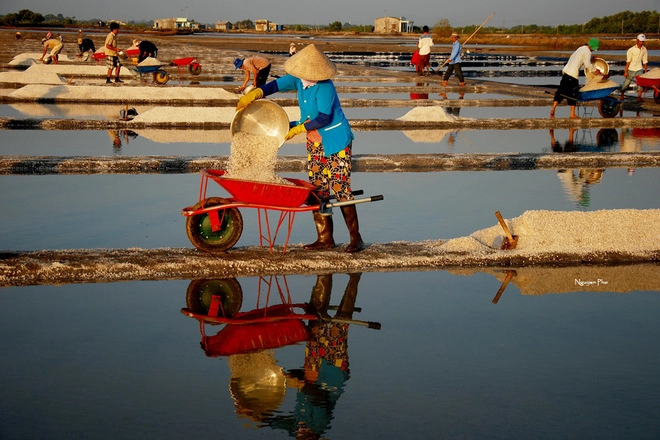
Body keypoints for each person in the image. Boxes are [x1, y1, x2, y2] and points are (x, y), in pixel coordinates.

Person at [237, 44, 365, 253]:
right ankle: (325, 238)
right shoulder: (298, 79)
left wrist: (297, 128)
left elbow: (323, 117)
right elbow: (276, 85)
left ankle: (355, 238)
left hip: (335, 141)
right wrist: (256, 93)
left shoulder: (325, 87)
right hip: (314, 140)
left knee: (340, 189)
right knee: (318, 188)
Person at [550, 38, 599, 119]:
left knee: (561, 91)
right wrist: (595, 70)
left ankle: (553, 109)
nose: (593, 50)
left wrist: (591, 59)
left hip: (566, 71)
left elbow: (580, 59)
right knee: (573, 94)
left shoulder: (581, 48)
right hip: (573, 74)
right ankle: (572, 114)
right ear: (592, 47)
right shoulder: (587, 52)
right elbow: (587, 65)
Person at [620, 34, 648, 102]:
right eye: (640, 41)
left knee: (640, 83)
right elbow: (628, 61)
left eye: (643, 41)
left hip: (639, 68)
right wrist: (626, 71)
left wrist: (646, 71)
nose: (641, 43)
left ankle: (639, 96)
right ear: (637, 40)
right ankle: (622, 94)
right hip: (631, 68)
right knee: (627, 83)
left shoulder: (644, 49)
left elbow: (645, 61)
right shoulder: (631, 50)